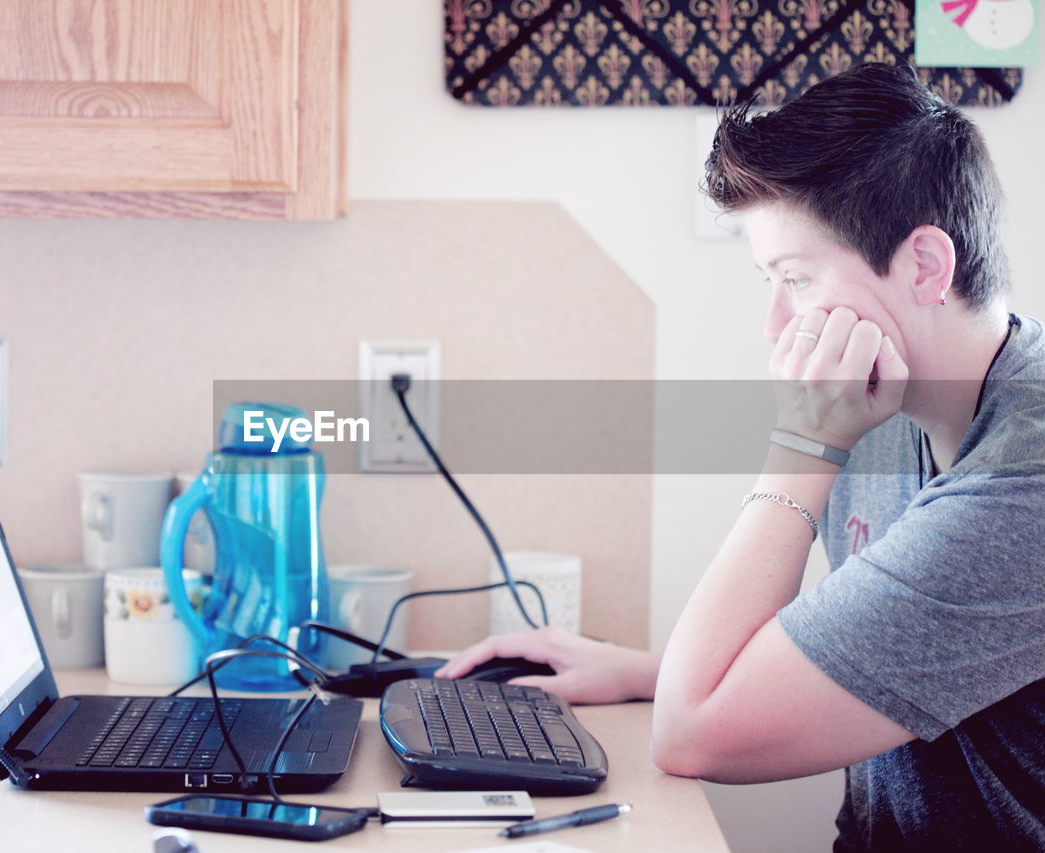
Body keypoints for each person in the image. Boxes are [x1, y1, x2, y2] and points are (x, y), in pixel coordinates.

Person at [436, 64, 1045, 850]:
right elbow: (887, 645)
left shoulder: (1019, 481)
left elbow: (694, 737)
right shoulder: (888, 396)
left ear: (925, 266)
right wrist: (643, 669)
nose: (773, 323)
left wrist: (802, 443)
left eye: (794, 278)